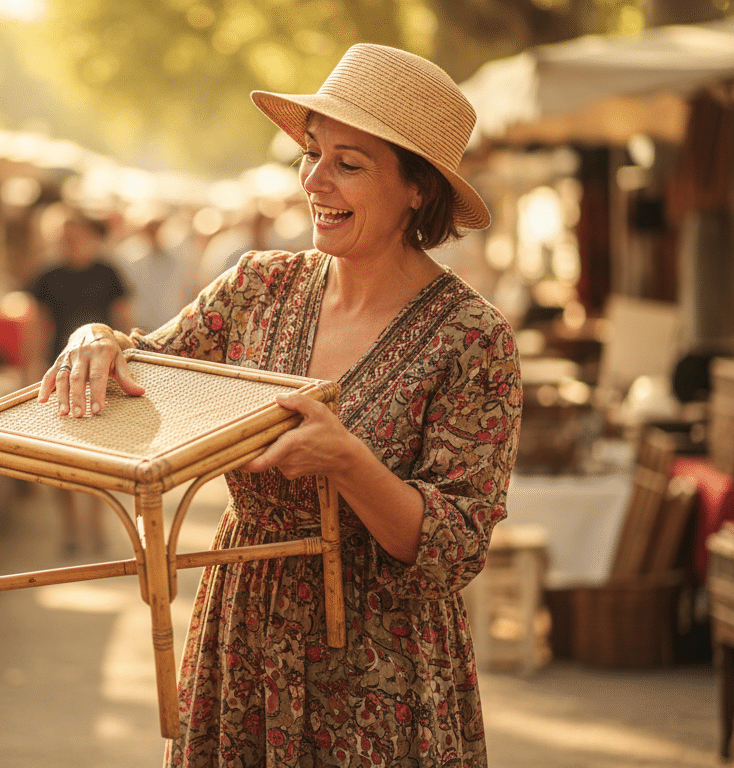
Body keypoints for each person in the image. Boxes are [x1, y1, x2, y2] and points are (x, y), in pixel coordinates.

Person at [37, 44, 522, 766]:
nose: (314, 181)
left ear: (417, 189)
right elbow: (142, 368)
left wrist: (350, 463)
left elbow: (453, 549)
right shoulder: (258, 286)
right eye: (312, 152)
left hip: (381, 664)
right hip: (245, 628)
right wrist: (92, 337)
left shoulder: (473, 338)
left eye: (349, 164)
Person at [29, 208, 135, 556]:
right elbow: (38, 325)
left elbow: (123, 319)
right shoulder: (47, 275)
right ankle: (71, 528)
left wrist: (129, 360)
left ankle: (97, 524)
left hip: (103, 371)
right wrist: (32, 365)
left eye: (74, 234)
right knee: (61, 457)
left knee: (102, 454)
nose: (69, 241)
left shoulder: (107, 272)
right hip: (58, 372)